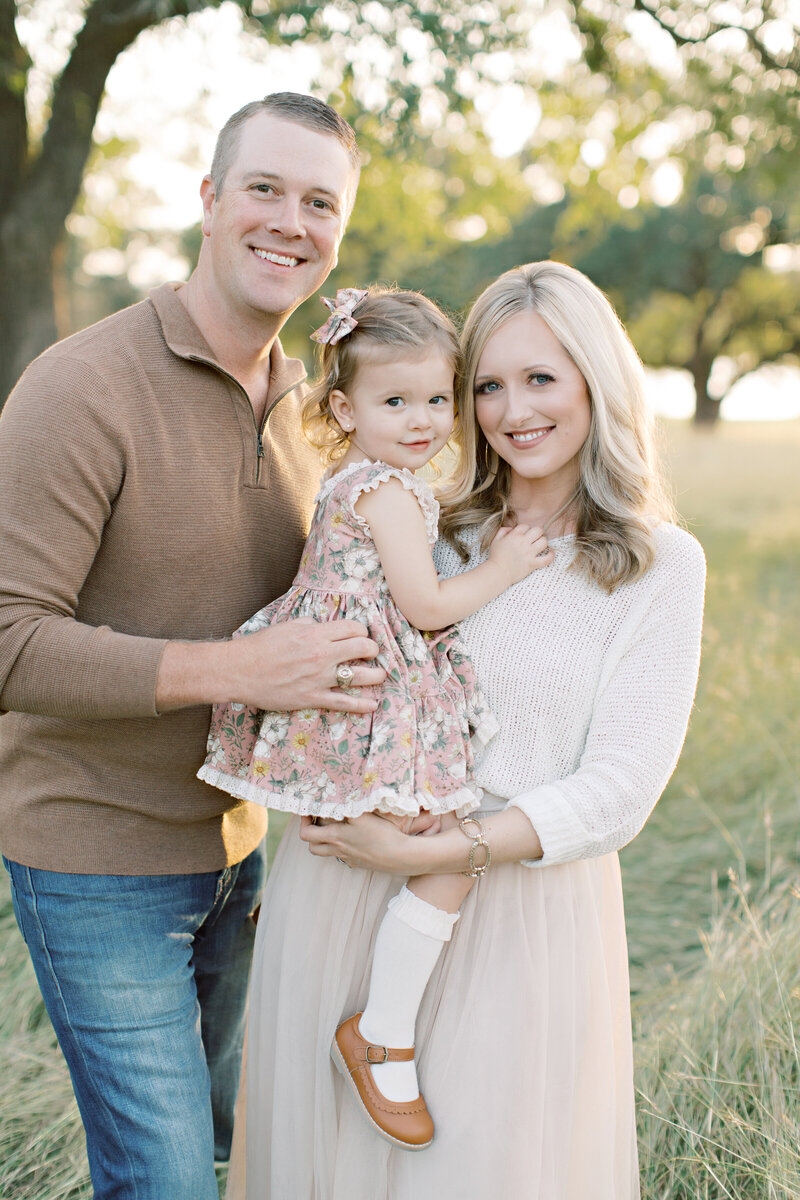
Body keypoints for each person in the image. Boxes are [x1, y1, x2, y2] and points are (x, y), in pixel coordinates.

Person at [226, 261, 707, 1200]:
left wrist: (445, 846)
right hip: (346, 892)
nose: (511, 409)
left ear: (596, 383)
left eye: (541, 378)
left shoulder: (657, 566)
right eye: (487, 384)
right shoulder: (423, 527)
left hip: (518, 917)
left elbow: (620, 789)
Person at [0, 93, 383, 1200]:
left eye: (321, 203)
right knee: (163, 1182)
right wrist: (234, 670)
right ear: (209, 201)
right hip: (93, 862)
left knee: (228, 1154)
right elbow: (10, 641)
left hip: (241, 859)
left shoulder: (315, 412)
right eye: (264, 188)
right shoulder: (80, 388)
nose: (289, 222)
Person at [197, 284, 552, 1150]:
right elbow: (427, 605)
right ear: (346, 408)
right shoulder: (386, 493)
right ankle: (382, 1030)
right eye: (397, 401)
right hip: (371, 707)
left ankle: (378, 1023)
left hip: (367, 695)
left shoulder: (364, 479)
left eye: (438, 398)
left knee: (430, 845)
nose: (425, 419)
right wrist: (505, 566)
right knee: (448, 856)